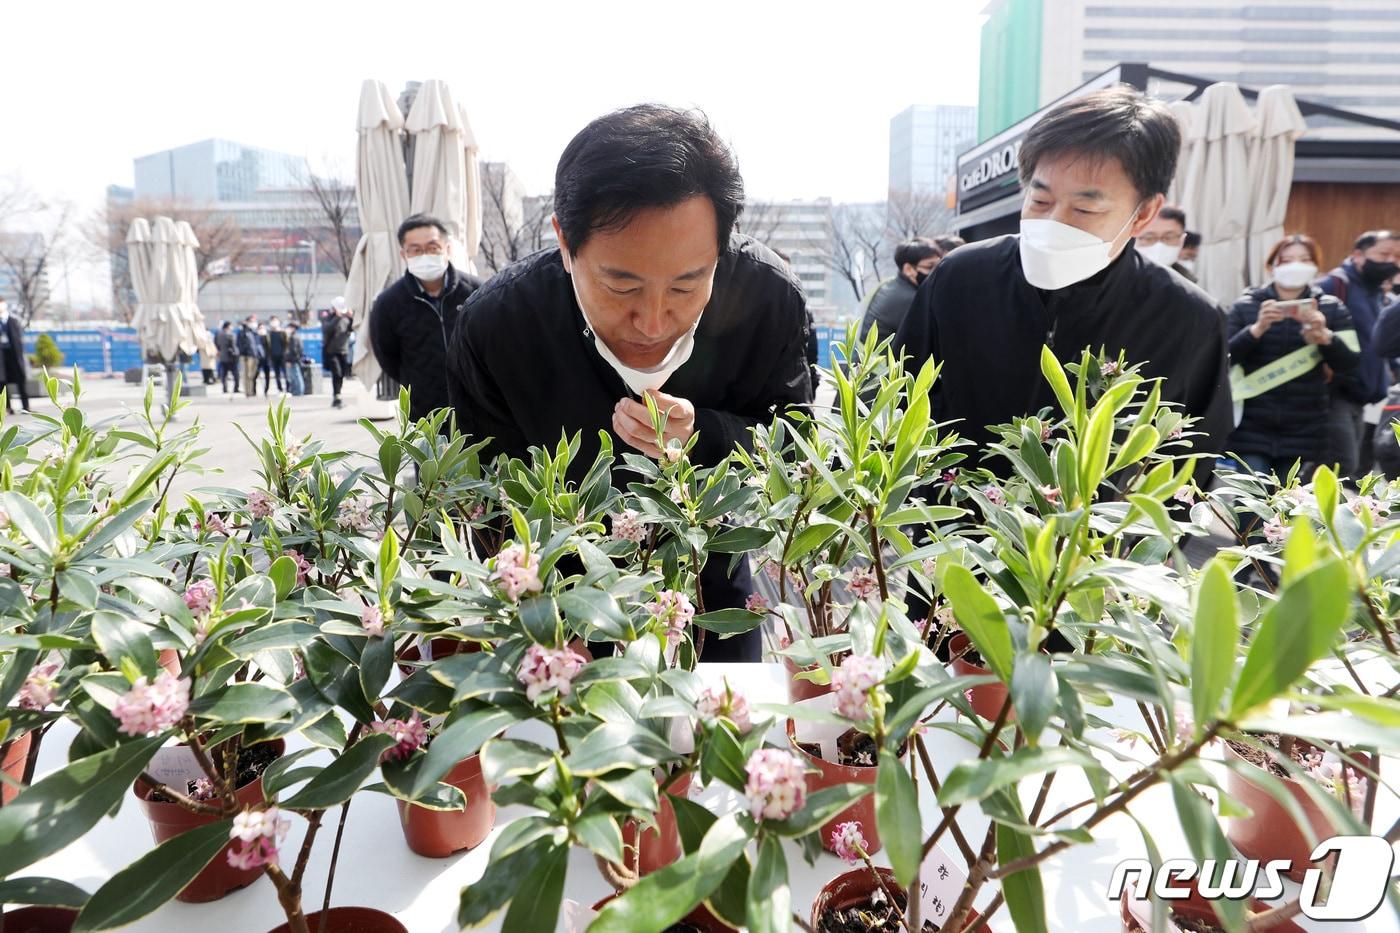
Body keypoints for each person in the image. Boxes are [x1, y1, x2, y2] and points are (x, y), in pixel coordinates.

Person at [447, 104, 813, 662]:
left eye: (688, 285)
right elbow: (483, 495)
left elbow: (794, 448)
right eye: (622, 287)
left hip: (710, 587)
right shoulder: (499, 326)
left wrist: (706, 435)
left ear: (721, 248)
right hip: (561, 605)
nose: (653, 320)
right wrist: (536, 611)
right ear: (565, 244)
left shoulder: (768, 299)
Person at [895, 86, 1232, 478]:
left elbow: (1189, 459)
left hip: (1094, 537)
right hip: (950, 529)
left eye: (1085, 208)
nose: (1053, 223)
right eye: (1039, 201)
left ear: (1143, 214)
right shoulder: (961, 276)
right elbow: (897, 396)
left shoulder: (1187, 319)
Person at [1224, 234, 1358, 476]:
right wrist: (1257, 329)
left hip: (1306, 422)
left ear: (1316, 266)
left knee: (1289, 504)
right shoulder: (1246, 305)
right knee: (1250, 501)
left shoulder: (1331, 307)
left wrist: (1325, 336)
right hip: (1252, 421)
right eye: (1286, 260)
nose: (1295, 266)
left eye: (1304, 259)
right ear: (1271, 266)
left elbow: (1349, 361)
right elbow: (1225, 356)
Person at [368, 214, 483, 423]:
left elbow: (491, 344)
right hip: (424, 414)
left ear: (447, 249)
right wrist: (418, 383)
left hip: (479, 407)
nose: (425, 255)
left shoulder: (476, 291)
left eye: (432, 247)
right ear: (404, 254)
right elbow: (387, 356)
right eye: (416, 250)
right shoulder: (388, 303)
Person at [1318, 230, 1400, 478]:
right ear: (1358, 255)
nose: (1391, 262)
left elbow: (1381, 346)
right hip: (1334, 392)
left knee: (1350, 465)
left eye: (1396, 257)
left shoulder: (1379, 294)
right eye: (1384, 254)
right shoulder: (1334, 286)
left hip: (1363, 395)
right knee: (1342, 463)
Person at [858, 237, 942, 344]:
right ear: (908, 269)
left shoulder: (891, 286)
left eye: (938, 266)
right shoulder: (910, 299)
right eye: (930, 267)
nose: (935, 272)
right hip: (886, 360)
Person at [1136, 204, 1197, 283]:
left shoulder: (1190, 284)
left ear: (1182, 240)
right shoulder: (1119, 281)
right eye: (1149, 238)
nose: (1159, 246)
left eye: (1168, 237)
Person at [323, 296, 354, 409]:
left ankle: (338, 395)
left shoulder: (347, 320)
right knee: (336, 373)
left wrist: (351, 317)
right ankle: (336, 397)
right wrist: (337, 317)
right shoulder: (330, 319)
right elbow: (327, 329)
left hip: (344, 351)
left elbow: (353, 327)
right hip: (332, 351)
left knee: (341, 375)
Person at [0, 298, 29, 414]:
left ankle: (25, 407)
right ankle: (7, 407)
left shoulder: (13, 321)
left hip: (14, 356)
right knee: (2, 383)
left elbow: (18, 340)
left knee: (20, 381)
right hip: (1, 358)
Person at [236, 316, 262, 399]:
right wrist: (243, 353)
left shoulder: (253, 332)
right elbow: (239, 344)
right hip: (246, 356)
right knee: (247, 375)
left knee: (253, 374)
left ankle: (252, 390)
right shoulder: (243, 332)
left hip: (254, 355)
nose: (253, 323)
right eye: (251, 321)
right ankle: (248, 392)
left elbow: (257, 344)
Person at [215, 320, 239, 393]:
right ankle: (236, 388)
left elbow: (216, 345)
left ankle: (225, 389)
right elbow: (233, 346)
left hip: (222, 357)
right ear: (228, 326)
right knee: (236, 374)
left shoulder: (218, 334)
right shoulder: (231, 335)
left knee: (224, 374)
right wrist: (236, 353)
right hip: (231, 357)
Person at [266, 316, 288, 394]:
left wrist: (286, 354)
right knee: (277, 374)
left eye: (275, 320)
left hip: (282, 356)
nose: (274, 322)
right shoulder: (269, 334)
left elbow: (286, 344)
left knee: (286, 373)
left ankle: (288, 388)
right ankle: (280, 389)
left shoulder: (283, 333)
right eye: (272, 321)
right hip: (273, 356)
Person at [285, 322, 305, 396]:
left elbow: (293, 350)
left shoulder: (293, 337)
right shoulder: (296, 336)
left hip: (293, 360)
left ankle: (298, 391)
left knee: (296, 376)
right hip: (296, 359)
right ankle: (296, 391)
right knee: (295, 375)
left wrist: (289, 360)